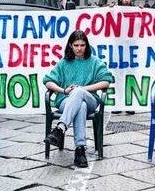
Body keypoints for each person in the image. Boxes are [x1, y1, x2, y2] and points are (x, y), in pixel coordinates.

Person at [44, 30, 114, 167]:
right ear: (70, 45)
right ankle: (80, 150)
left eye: (82, 45)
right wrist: (64, 90)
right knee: (80, 106)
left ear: (86, 45)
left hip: (90, 99)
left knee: (79, 95)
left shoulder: (94, 62)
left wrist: (81, 89)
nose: (79, 48)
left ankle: (60, 128)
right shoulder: (63, 63)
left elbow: (106, 81)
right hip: (66, 100)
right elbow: (48, 81)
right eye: (76, 45)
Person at [112, 0, 138, 115]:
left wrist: (142, 12)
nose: (126, 0)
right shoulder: (115, 11)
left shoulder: (138, 12)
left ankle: (129, 104)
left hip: (131, 49)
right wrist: (109, 9)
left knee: (130, 76)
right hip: (118, 48)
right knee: (118, 76)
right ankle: (118, 103)